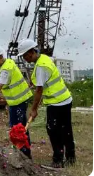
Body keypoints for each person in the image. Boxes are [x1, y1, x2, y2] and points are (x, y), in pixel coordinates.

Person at [17, 39, 75, 168]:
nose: (24, 59)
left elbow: (39, 90)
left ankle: (58, 160)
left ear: (31, 52)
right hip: (64, 99)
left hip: (57, 103)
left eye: (24, 56)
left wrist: (33, 109)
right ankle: (71, 159)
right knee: (66, 130)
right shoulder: (43, 58)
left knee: (53, 131)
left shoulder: (41, 66)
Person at [0, 46, 33, 158]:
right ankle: (22, 152)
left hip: (19, 102)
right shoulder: (7, 64)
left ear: (0, 57)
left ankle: (24, 154)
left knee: (19, 129)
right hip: (16, 103)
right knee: (19, 128)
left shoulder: (6, 69)